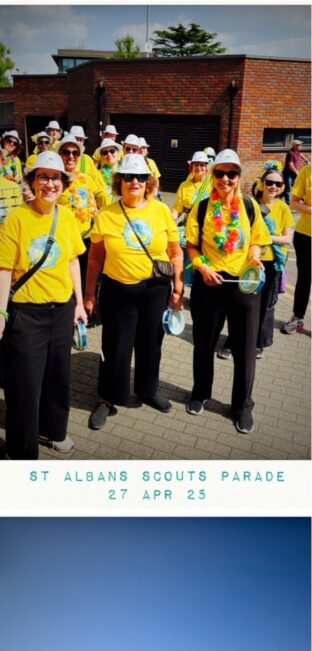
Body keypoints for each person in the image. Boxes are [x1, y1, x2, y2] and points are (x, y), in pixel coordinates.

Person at [84, 153, 182, 429]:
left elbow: (175, 252)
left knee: (151, 344)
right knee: (115, 347)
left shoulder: (161, 211)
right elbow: (94, 258)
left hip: (154, 290)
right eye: (129, 177)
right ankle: (107, 398)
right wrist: (90, 293)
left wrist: (178, 286)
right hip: (117, 291)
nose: (135, 182)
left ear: (148, 182)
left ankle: (148, 391)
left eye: (140, 177)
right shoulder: (106, 214)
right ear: (119, 181)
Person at [0, 150, 87, 459]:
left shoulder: (66, 216)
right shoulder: (16, 218)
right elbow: (5, 269)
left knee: (58, 375)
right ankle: (21, 451)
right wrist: (0, 313)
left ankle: (54, 431)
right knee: (25, 383)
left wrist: (78, 303)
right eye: (43, 177)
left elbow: (74, 260)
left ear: (63, 183)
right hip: (27, 314)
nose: (50, 184)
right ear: (32, 182)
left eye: (55, 178)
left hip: (62, 310)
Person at [184, 148, 270, 434]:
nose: (225, 178)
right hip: (209, 283)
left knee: (245, 349)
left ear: (239, 177)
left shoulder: (249, 205)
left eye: (231, 173)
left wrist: (255, 256)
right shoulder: (203, 206)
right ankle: (200, 393)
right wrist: (202, 268)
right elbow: (192, 245)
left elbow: (257, 239)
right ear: (212, 175)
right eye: (219, 173)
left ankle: (242, 406)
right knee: (204, 344)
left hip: (243, 286)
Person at [253, 165, 294, 359]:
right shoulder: (250, 204)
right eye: (269, 182)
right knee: (245, 303)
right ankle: (235, 340)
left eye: (278, 183)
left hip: (272, 263)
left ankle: (259, 343)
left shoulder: (283, 207)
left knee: (266, 305)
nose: (273, 187)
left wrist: (267, 237)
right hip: (251, 261)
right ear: (262, 184)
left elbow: (287, 239)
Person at [57, 134, 109, 286]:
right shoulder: (54, 179)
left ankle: (86, 306)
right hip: (64, 237)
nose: (71, 156)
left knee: (87, 277)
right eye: (66, 152)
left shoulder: (85, 178)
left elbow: (93, 203)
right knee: (67, 279)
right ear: (59, 154)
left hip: (86, 236)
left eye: (75, 153)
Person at [282, 161, 312, 334]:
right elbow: (294, 203)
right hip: (305, 235)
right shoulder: (306, 172)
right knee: (304, 279)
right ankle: (298, 316)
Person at [173, 153, 209, 225]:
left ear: (206, 167)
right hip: (190, 227)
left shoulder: (213, 184)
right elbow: (178, 210)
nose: (199, 168)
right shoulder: (184, 186)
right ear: (191, 167)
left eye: (202, 165)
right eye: (196, 165)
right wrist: (167, 220)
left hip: (208, 227)